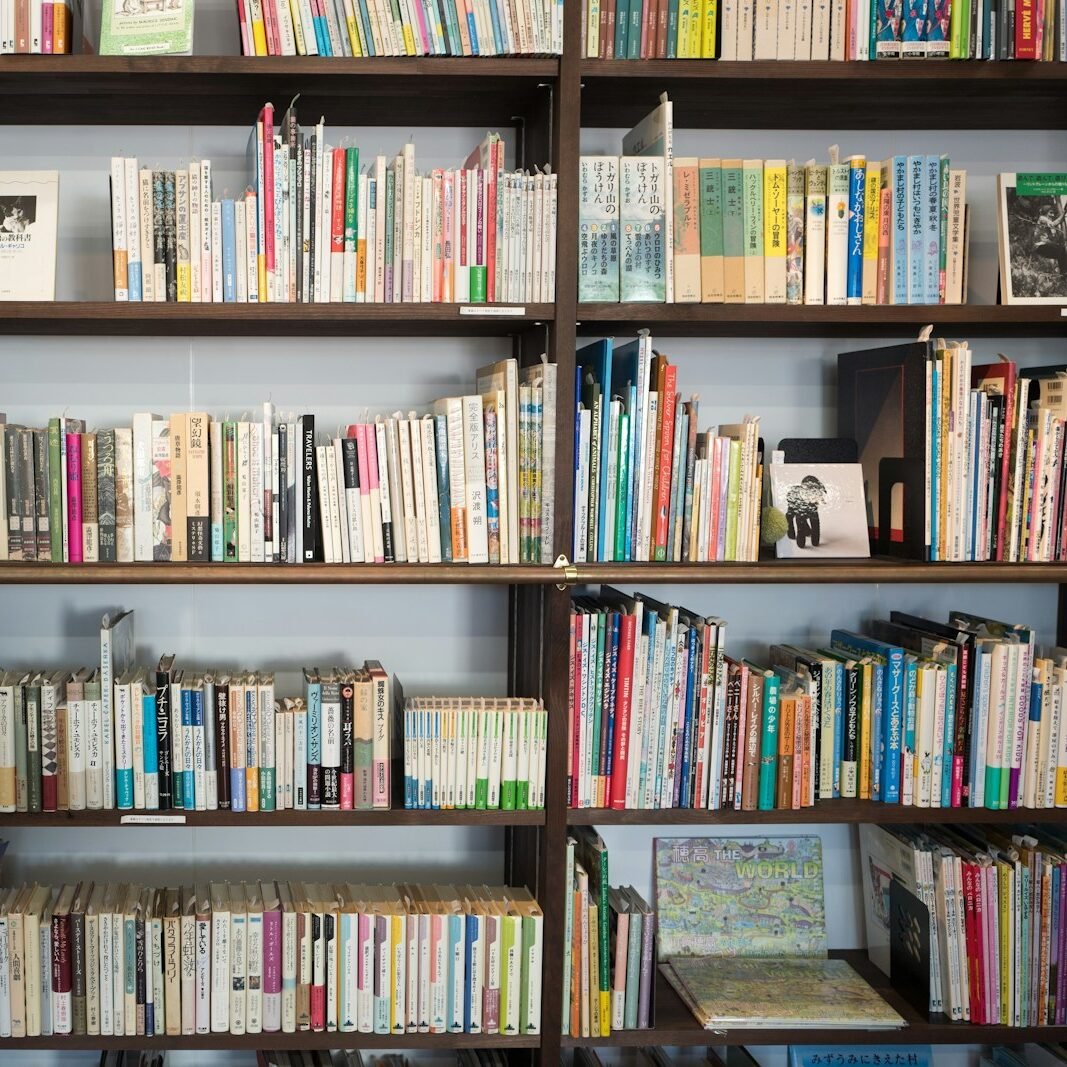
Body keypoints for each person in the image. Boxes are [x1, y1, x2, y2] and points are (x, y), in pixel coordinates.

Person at [786, 474, 827, 549]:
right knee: (794, 518)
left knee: (814, 523)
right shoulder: (794, 496)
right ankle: (794, 535)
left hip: (811, 508)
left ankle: (814, 540)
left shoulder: (814, 503)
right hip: (798, 508)